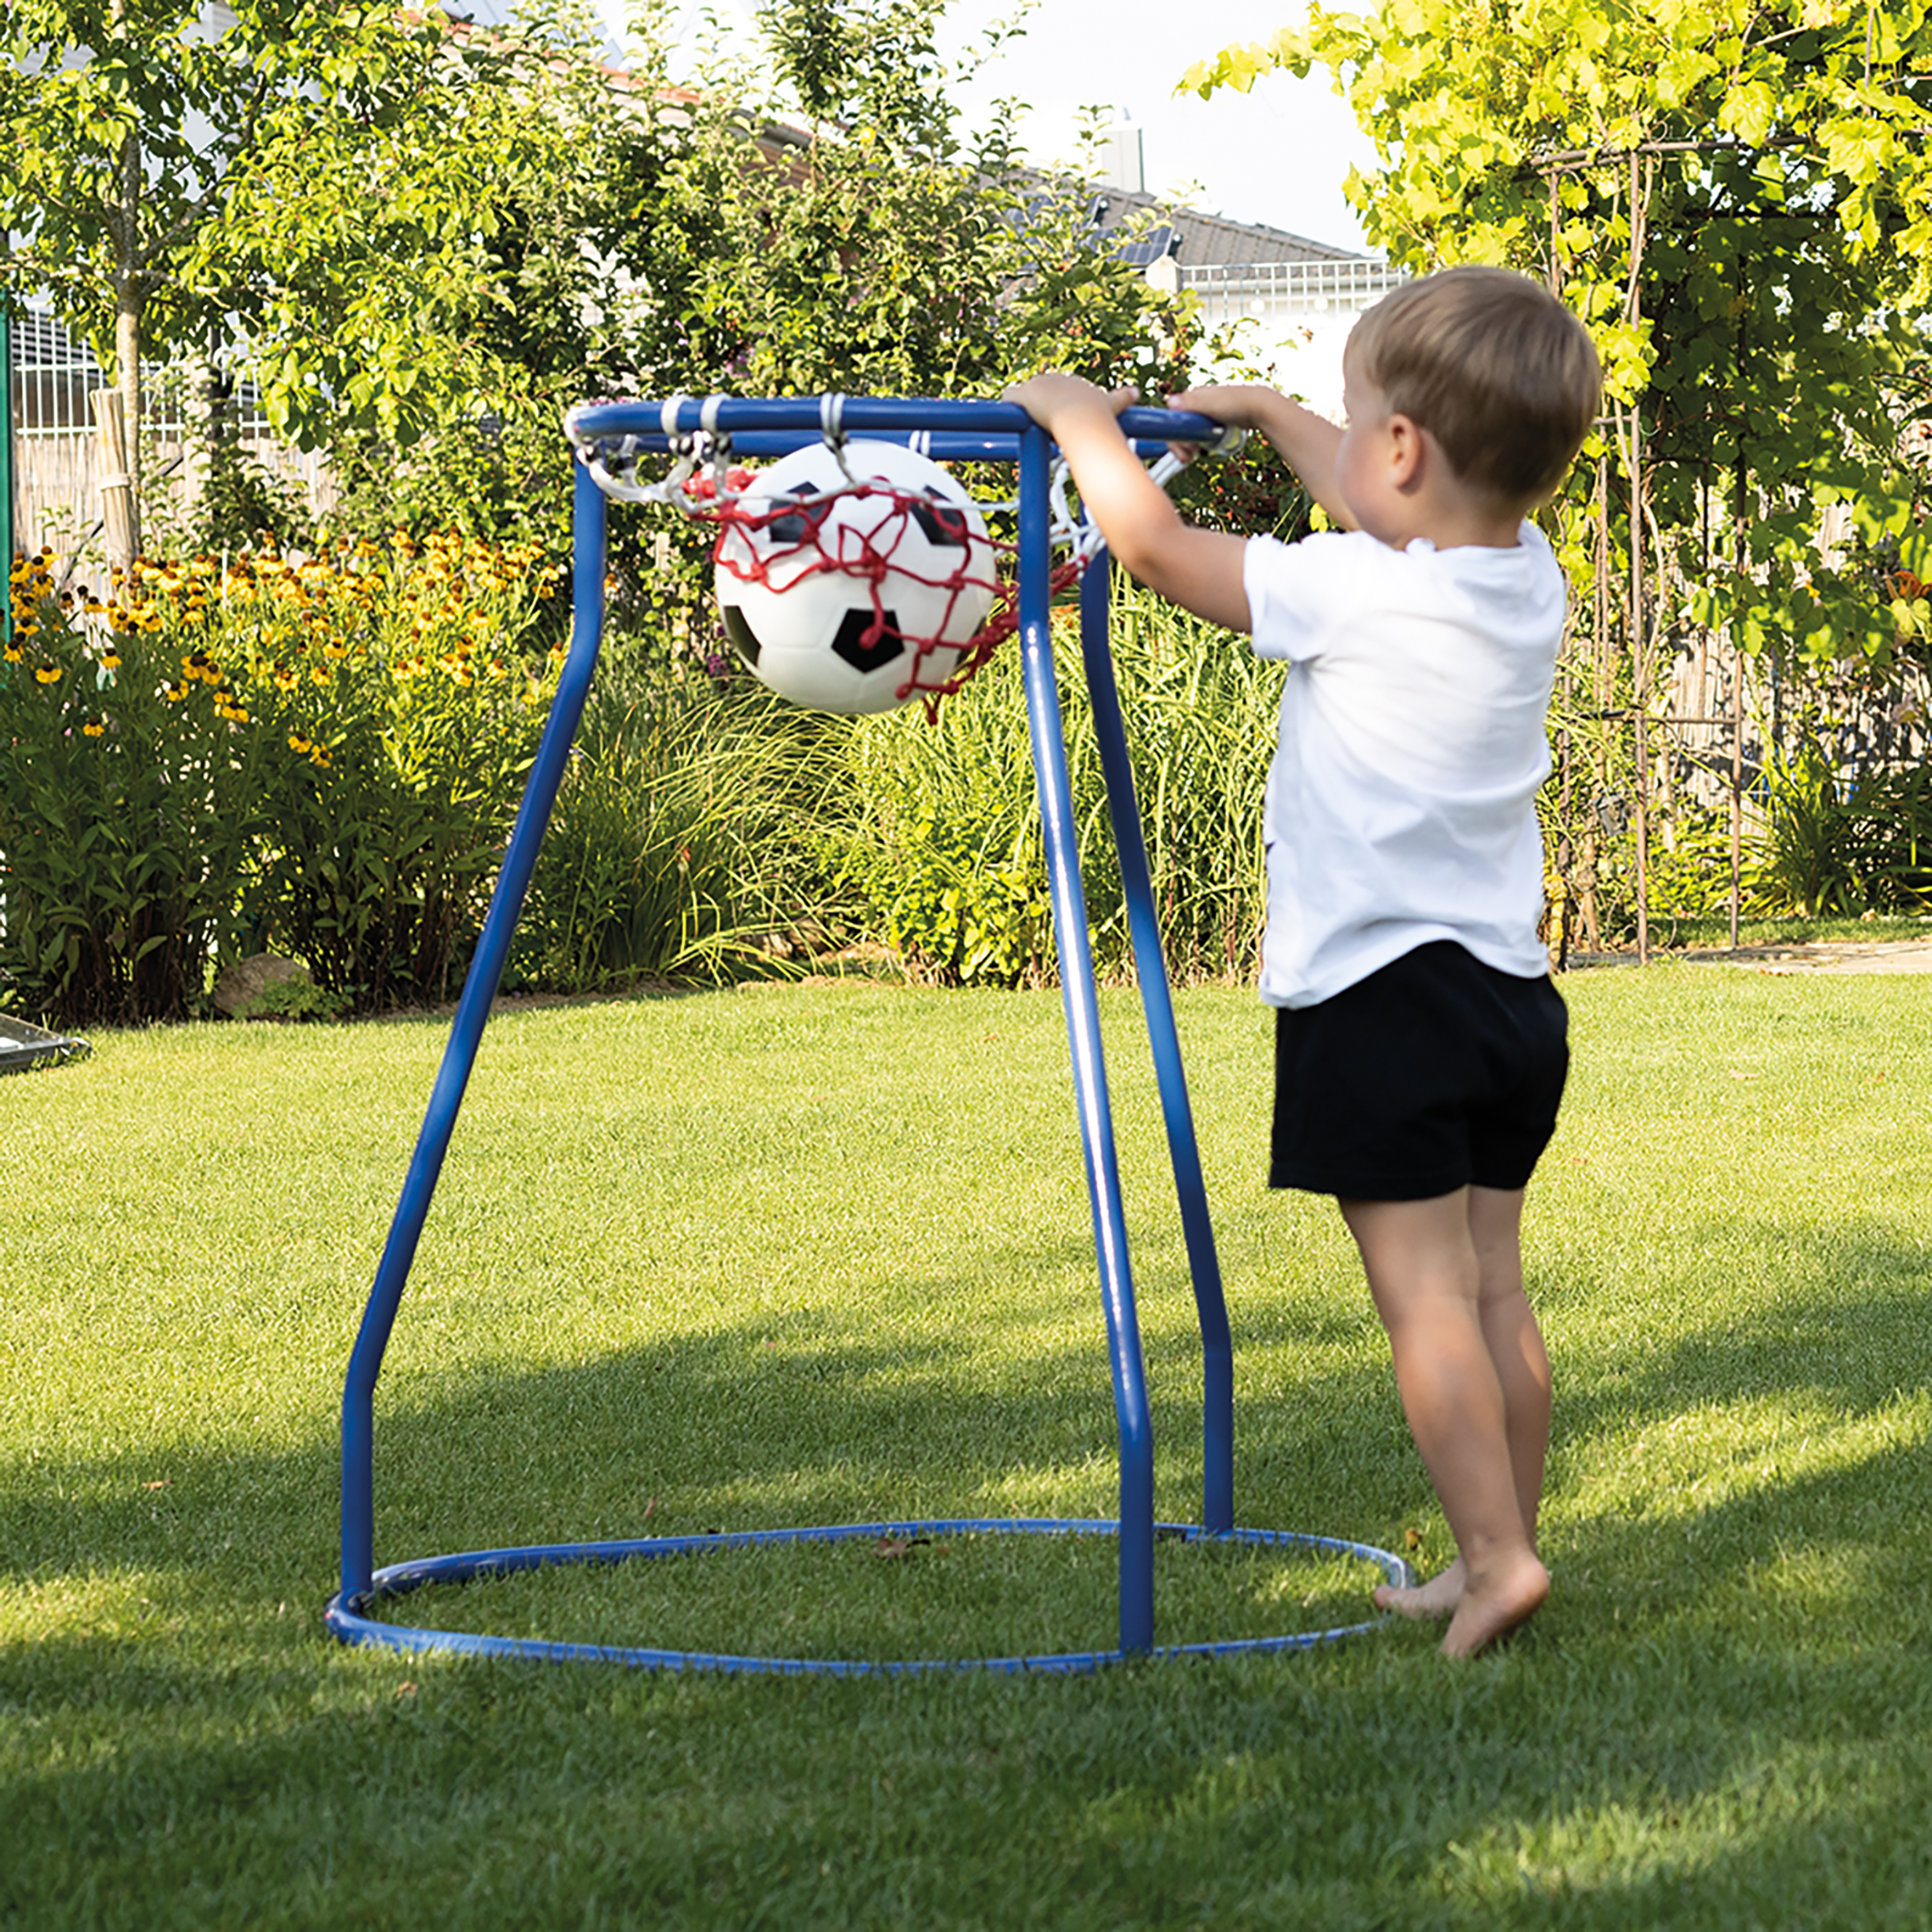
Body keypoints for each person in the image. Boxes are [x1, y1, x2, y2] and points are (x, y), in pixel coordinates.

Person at [1006, 265, 1602, 1657]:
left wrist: (1078, 416)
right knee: (1493, 1287)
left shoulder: (1349, 589)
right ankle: (1498, 1544)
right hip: (1509, 1001)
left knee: (1425, 1301)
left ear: (1399, 449)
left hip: (1383, 1003)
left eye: (1354, 420)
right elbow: (1380, 496)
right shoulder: (1528, 578)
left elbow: (1157, 547)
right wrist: (1277, 412)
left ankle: (1497, 1561)